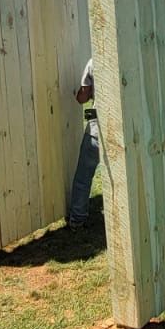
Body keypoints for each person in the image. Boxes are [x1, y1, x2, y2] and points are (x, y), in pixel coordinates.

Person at [68, 58, 98, 227]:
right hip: (125, 130)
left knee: (83, 176)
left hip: (97, 130)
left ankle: (77, 218)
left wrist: (76, 93)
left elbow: (83, 98)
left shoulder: (93, 62)